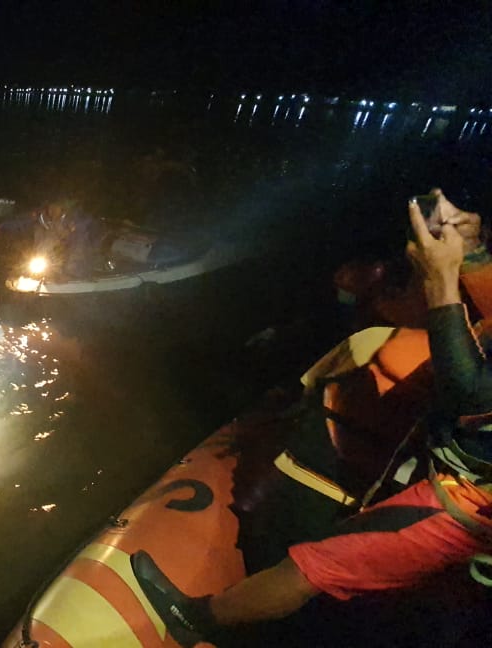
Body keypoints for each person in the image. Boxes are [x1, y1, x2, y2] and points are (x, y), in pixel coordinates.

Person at [134, 189, 492, 647]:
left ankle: (199, 619)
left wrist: (441, 279)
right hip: (456, 469)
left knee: (314, 566)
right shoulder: (368, 325)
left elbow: (472, 396)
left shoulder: (379, 334)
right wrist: (475, 253)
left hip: (470, 500)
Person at [32, 198, 103, 280]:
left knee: (77, 250)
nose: (52, 211)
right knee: (46, 244)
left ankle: (75, 273)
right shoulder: (45, 222)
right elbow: (42, 244)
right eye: (50, 208)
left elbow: (79, 244)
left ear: (62, 208)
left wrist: (70, 271)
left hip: (85, 248)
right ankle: (52, 272)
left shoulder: (76, 221)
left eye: (56, 208)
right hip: (63, 248)